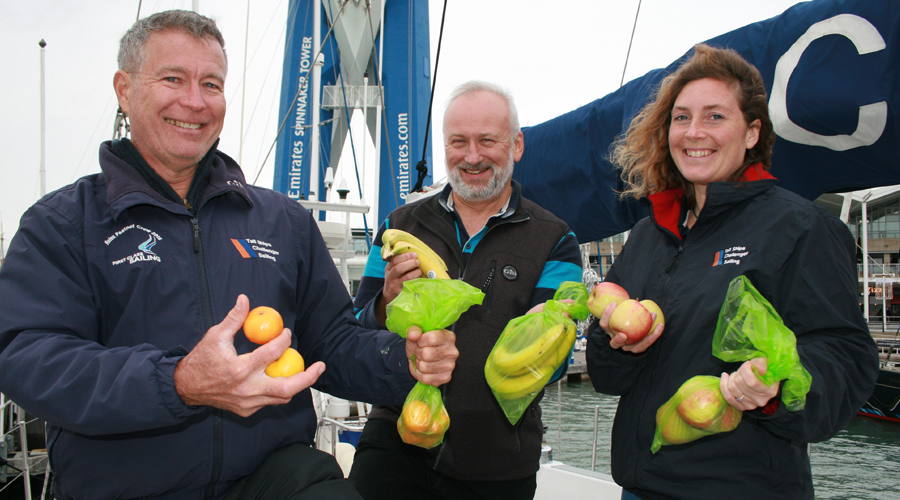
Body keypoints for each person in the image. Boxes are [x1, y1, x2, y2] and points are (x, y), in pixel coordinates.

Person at [0, 10, 459, 500]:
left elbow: (333, 342)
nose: (194, 102)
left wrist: (402, 359)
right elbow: (26, 355)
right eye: (173, 79)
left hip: (271, 478)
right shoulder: (64, 223)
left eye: (212, 84)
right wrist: (176, 382)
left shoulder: (283, 221)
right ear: (125, 88)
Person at [586, 44, 879, 500]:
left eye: (715, 117)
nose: (693, 132)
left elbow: (846, 359)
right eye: (681, 118)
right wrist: (618, 342)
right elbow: (607, 379)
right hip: (640, 489)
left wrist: (777, 386)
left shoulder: (800, 228)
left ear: (751, 132)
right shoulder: (647, 235)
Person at [347, 81, 584, 499]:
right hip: (395, 441)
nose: (472, 157)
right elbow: (357, 329)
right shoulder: (398, 226)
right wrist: (386, 301)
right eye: (459, 142)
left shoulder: (555, 239)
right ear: (445, 146)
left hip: (497, 461)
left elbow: (557, 361)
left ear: (516, 145)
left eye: (487, 141)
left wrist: (543, 332)